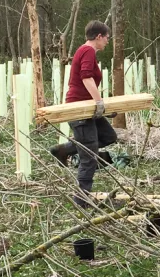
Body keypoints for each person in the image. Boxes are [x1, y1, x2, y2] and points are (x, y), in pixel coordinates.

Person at [48, 21, 119, 208]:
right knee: (89, 155)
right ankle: (81, 200)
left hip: (87, 108)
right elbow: (86, 77)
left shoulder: (86, 52)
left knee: (108, 136)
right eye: (107, 38)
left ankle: (64, 150)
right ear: (99, 37)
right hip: (79, 109)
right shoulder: (87, 51)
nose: (107, 42)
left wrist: (100, 105)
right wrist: (99, 102)